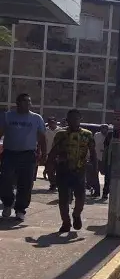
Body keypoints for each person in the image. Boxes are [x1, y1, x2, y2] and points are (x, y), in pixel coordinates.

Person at [45, 109, 96, 233]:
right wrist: (49, 170)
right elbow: (53, 153)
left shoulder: (87, 134)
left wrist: (95, 170)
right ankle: (66, 222)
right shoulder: (61, 134)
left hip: (80, 170)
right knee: (63, 199)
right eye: (71, 119)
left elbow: (93, 153)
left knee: (81, 198)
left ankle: (76, 214)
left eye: (76, 118)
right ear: (67, 120)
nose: (74, 121)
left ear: (80, 119)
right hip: (63, 170)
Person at [0, 93, 47, 221]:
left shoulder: (36, 118)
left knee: (25, 183)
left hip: (28, 154)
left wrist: (44, 154)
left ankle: (20, 209)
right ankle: (7, 203)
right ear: (18, 103)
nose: (28, 104)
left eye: (29, 102)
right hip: (10, 153)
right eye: (25, 101)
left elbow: (42, 138)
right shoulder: (7, 116)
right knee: (5, 180)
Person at [93, 124, 109, 197]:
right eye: (103, 128)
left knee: (107, 177)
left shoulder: (109, 136)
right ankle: (96, 191)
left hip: (106, 159)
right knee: (95, 175)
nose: (104, 130)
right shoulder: (97, 135)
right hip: (97, 157)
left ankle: (105, 193)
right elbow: (93, 145)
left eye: (106, 129)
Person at [43, 117, 59, 190]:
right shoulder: (45, 130)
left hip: (59, 154)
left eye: (53, 122)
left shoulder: (60, 131)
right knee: (50, 170)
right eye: (50, 122)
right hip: (49, 153)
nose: (51, 124)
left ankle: (58, 183)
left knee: (59, 171)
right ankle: (53, 184)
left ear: (56, 122)